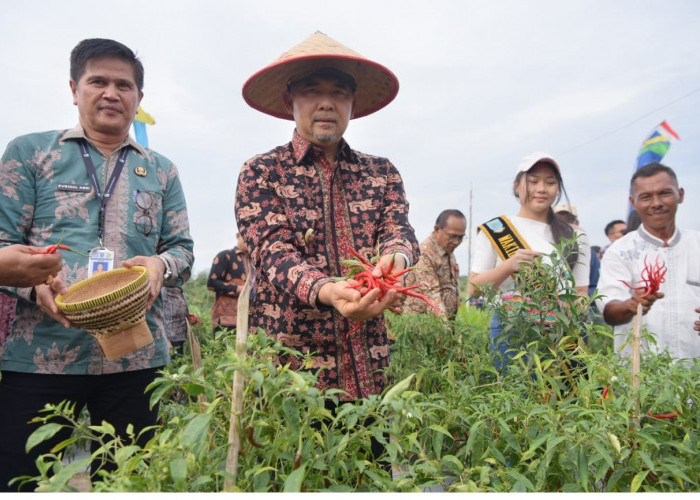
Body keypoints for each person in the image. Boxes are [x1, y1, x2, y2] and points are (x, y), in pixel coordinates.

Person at [0, 38, 194, 491]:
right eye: (98, 81)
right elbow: (3, 243)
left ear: (138, 98)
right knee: (20, 478)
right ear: (74, 88)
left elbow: (183, 249)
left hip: (137, 359)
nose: (111, 93)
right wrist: (32, 285)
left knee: (131, 479)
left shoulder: (161, 169)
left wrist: (159, 267)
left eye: (123, 85)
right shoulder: (30, 154)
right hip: (40, 357)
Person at [235, 32, 419, 404]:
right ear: (291, 100)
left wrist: (394, 262)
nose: (326, 103)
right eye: (311, 91)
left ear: (352, 102)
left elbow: (398, 230)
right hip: (291, 370)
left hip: (369, 365)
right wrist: (328, 291)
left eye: (338, 92)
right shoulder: (261, 172)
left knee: (373, 456)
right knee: (294, 458)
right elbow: (273, 252)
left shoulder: (382, 172)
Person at [468, 153, 590, 369]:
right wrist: (509, 266)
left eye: (550, 183)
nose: (541, 189)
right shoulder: (496, 230)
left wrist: (567, 315)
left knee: (565, 398)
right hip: (512, 330)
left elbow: (581, 293)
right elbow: (474, 289)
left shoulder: (575, 236)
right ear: (517, 186)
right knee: (517, 396)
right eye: (533, 181)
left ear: (558, 189)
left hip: (562, 334)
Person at [597, 163, 700, 359]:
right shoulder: (620, 251)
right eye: (646, 197)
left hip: (694, 372)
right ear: (633, 202)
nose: (656, 203)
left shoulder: (697, 244)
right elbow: (609, 310)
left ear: (680, 194)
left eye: (665, 193)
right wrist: (630, 305)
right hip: (641, 376)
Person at [402, 209, 466, 321]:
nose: (456, 242)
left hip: (442, 323)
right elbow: (432, 296)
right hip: (423, 326)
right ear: (437, 229)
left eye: (460, 237)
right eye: (452, 236)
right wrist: (445, 330)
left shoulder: (448, 252)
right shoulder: (424, 254)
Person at [207, 233, 250, 334]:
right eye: (246, 236)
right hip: (226, 321)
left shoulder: (255, 261)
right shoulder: (225, 255)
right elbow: (212, 282)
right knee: (224, 347)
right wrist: (238, 289)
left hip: (249, 319)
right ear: (238, 235)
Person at [553, 203, 600, 297]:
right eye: (559, 220)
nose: (565, 224)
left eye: (569, 219)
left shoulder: (589, 253)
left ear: (576, 223)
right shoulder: (547, 249)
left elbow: (595, 285)